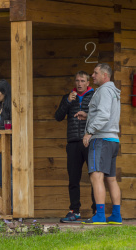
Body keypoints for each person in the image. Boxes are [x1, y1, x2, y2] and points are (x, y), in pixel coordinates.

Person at [76, 63, 122, 224]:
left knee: (96, 176)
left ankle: (100, 215)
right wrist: (87, 115)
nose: (92, 75)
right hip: (113, 140)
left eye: (95, 73)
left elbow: (103, 115)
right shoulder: (113, 91)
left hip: (101, 139)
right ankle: (116, 216)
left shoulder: (103, 91)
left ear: (105, 76)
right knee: (111, 179)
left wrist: (90, 131)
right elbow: (105, 114)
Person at [55, 71, 96, 223]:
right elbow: (58, 117)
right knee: (73, 179)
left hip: (90, 141)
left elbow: (100, 115)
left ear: (88, 83)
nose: (79, 83)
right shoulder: (68, 97)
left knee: (95, 177)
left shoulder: (94, 96)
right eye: (77, 80)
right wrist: (67, 101)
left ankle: (96, 211)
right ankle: (74, 211)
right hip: (72, 143)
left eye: (82, 81)